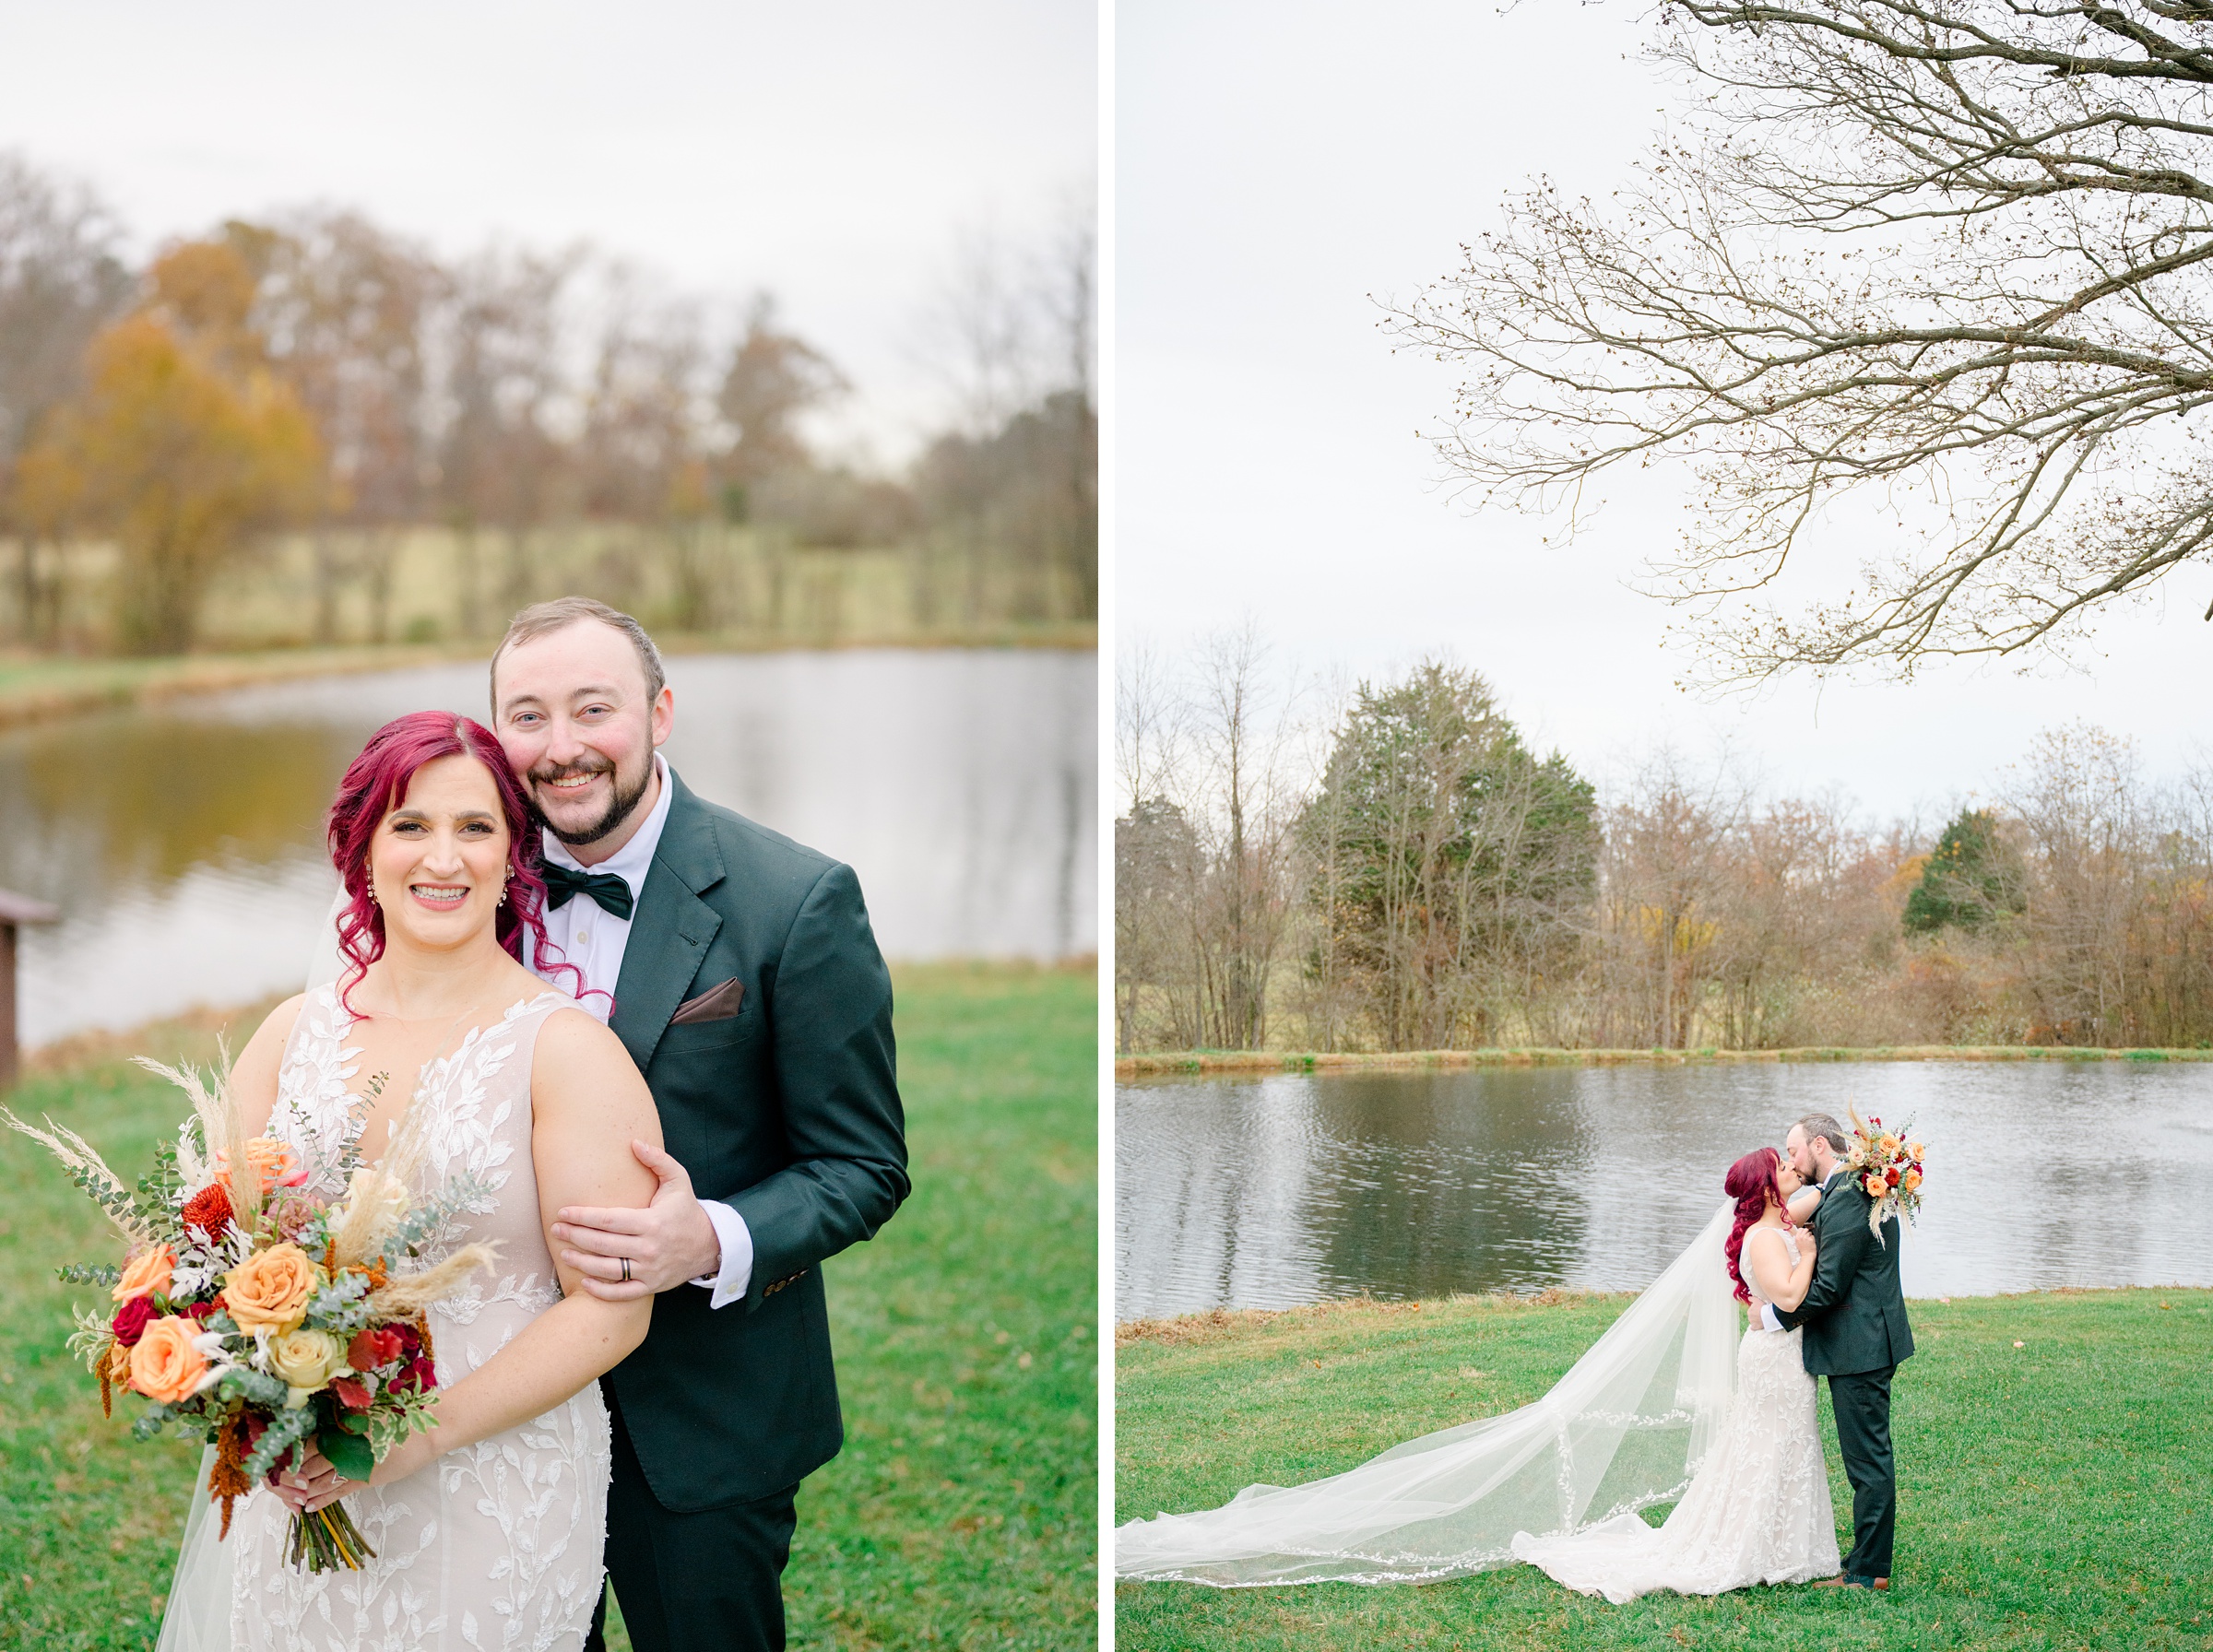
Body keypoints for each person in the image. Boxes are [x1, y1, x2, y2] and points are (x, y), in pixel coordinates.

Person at [488, 597, 906, 1652]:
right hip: (499, 1409)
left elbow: (861, 1163)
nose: (563, 747)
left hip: (705, 1419)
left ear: (661, 711)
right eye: (527, 716)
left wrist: (709, 1236)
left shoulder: (798, 901)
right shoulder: (462, 888)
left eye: (594, 709)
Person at [224, 711, 664, 1649]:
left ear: (515, 856)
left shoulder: (568, 1053)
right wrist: (257, 1404)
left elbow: (614, 1308)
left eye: (476, 828)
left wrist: (410, 1437)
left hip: (495, 1487)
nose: (444, 858)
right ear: (363, 846)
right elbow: (218, 1256)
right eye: (411, 825)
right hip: (301, 1472)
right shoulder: (284, 1036)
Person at [1510, 1146, 1840, 1599]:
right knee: (1770, 1442)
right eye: (1782, 1167)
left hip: (1781, 1351)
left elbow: (1816, 1197)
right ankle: (1755, 1546)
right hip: (1774, 1359)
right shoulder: (1765, 1237)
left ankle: (1781, 1546)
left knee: (1781, 1440)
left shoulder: (1774, 1222)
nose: (1791, 1167)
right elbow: (1785, 1297)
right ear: (1765, 1188)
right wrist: (1806, 1255)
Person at [1767, 1111, 1915, 1591]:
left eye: (1793, 1150)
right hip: (1861, 1341)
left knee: (1867, 1459)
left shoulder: (1851, 1194)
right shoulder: (1845, 1188)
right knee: (1863, 1457)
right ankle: (1862, 1561)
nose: (1790, 1160)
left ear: (1818, 1146)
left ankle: (1868, 1573)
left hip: (1862, 1344)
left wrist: (1775, 1318)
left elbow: (1830, 1285)